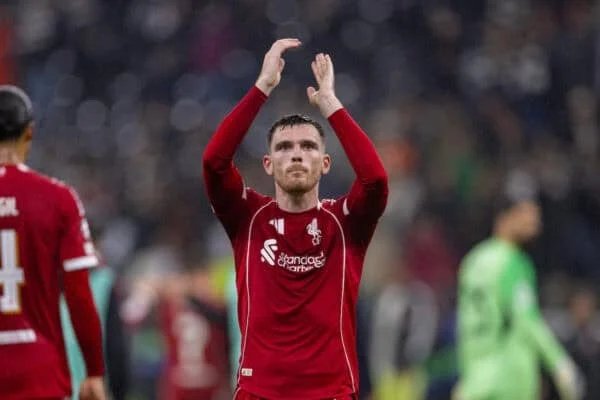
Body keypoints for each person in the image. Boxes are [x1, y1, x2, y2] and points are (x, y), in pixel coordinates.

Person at [202, 38, 389, 399]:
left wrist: (330, 104)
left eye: (308, 147)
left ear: (325, 163)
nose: (297, 155)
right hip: (259, 392)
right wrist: (263, 86)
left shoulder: (345, 222)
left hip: (330, 392)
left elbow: (376, 180)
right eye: (284, 148)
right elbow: (214, 162)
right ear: (268, 164)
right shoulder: (247, 216)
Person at [0, 85, 106, 400]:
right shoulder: (58, 199)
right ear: (29, 133)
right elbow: (78, 294)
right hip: (39, 373)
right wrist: (94, 371)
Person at [455, 193, 583, 400]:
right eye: (527, 214)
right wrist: (560, 363)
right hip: (510, 378)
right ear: (505, 217)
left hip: (476, 379)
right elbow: (527, 320)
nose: (535, 223)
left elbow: (465, 324)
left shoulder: (473, 260)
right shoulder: (513, 263)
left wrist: (467, 376)